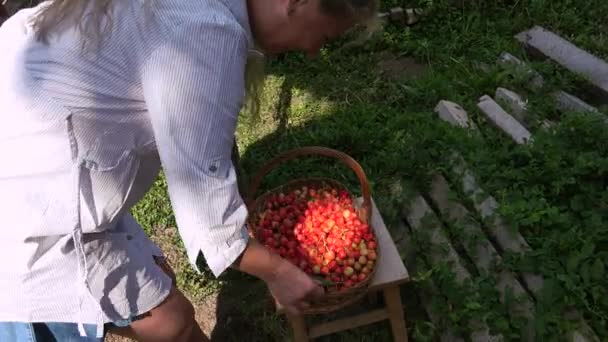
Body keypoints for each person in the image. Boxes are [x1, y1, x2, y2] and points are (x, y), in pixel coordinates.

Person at [0, 0, 378, 341]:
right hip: (30, 204)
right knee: (171, 323)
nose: (313, 52)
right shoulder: (205, 33)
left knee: (168, 311)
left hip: (33, 152)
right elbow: (205, 206)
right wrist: (279, 272)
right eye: (324, 37)